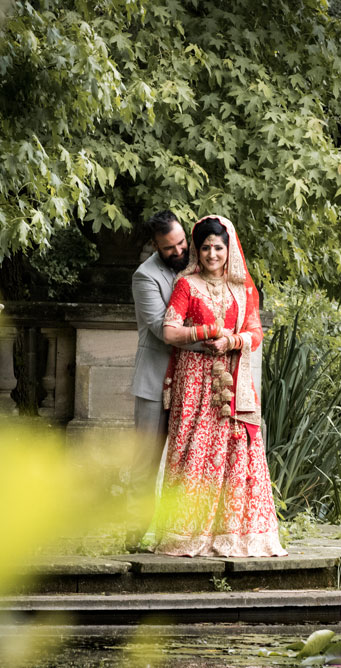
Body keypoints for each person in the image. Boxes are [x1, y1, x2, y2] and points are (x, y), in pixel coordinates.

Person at [153, 215, 286, 557]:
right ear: (197, 251)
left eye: (219, 247)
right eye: (206, 247)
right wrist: (207, 332)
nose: (213, 254)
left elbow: (256, 334)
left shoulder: (242, 290)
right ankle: (186, 534)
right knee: (193, 450)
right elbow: (170, 331)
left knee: (235, 450)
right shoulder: (186, 285)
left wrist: (231, 342)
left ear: (229, 250)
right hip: (195, 379)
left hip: (231, 378)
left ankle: (234, 536)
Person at [130, 210, 197, 506]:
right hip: (154, 380)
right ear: (157, 246)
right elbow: (161, 328)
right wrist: (207, 337)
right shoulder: (145, 276)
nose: (178, 250)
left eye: (181, 242)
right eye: (169, 247)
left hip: (193, 379)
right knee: (146, 461)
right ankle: (135, 532)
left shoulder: (198, 261)